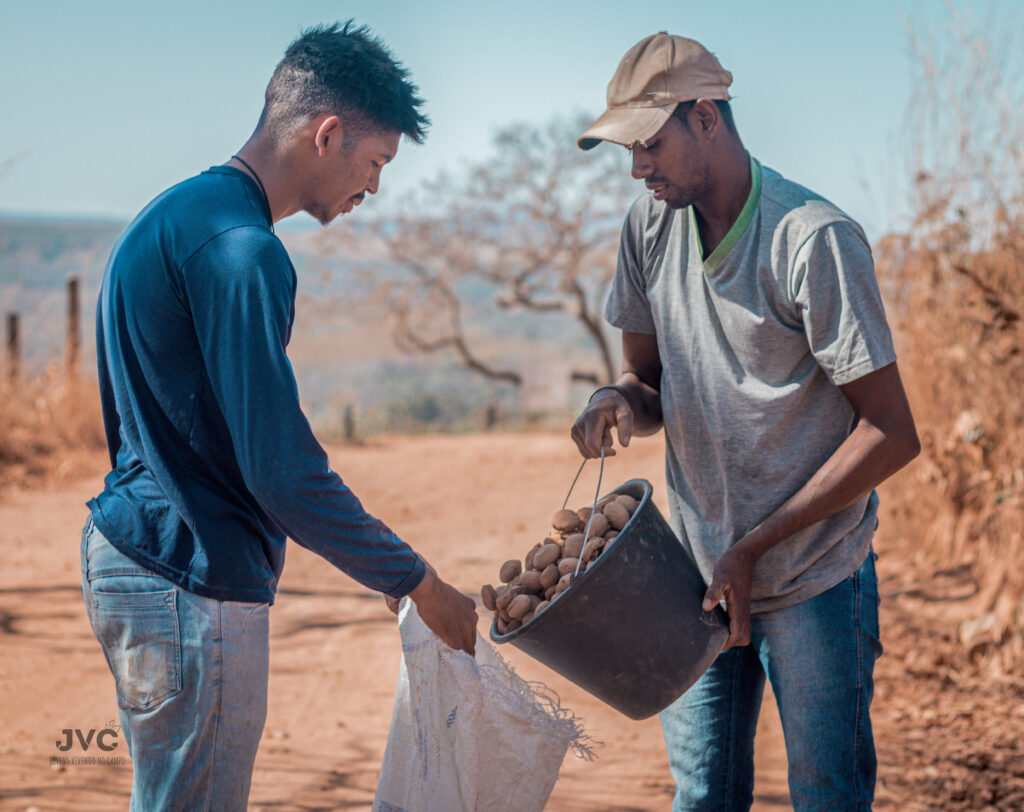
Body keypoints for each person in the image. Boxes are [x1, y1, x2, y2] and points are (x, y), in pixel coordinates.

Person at [81, 21, 477, 811]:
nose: (374, 189)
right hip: (192, 577)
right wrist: (414, 581)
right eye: (375, 163)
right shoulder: (244, 251)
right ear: (326, 134)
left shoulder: (174, 214)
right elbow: (281, 473)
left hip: (128, 557)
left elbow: (133, 421)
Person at [571, 32, 920, 811]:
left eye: (648, 143)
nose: (637, 168)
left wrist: (754, 549)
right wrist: (616, 402)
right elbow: (646, 383)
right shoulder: (648, 228)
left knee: (826, 795)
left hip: (812, 579)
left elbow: (891, 432)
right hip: (695, 580)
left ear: (706, 119)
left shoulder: (812, 239)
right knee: (703, 797)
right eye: (628, 149)